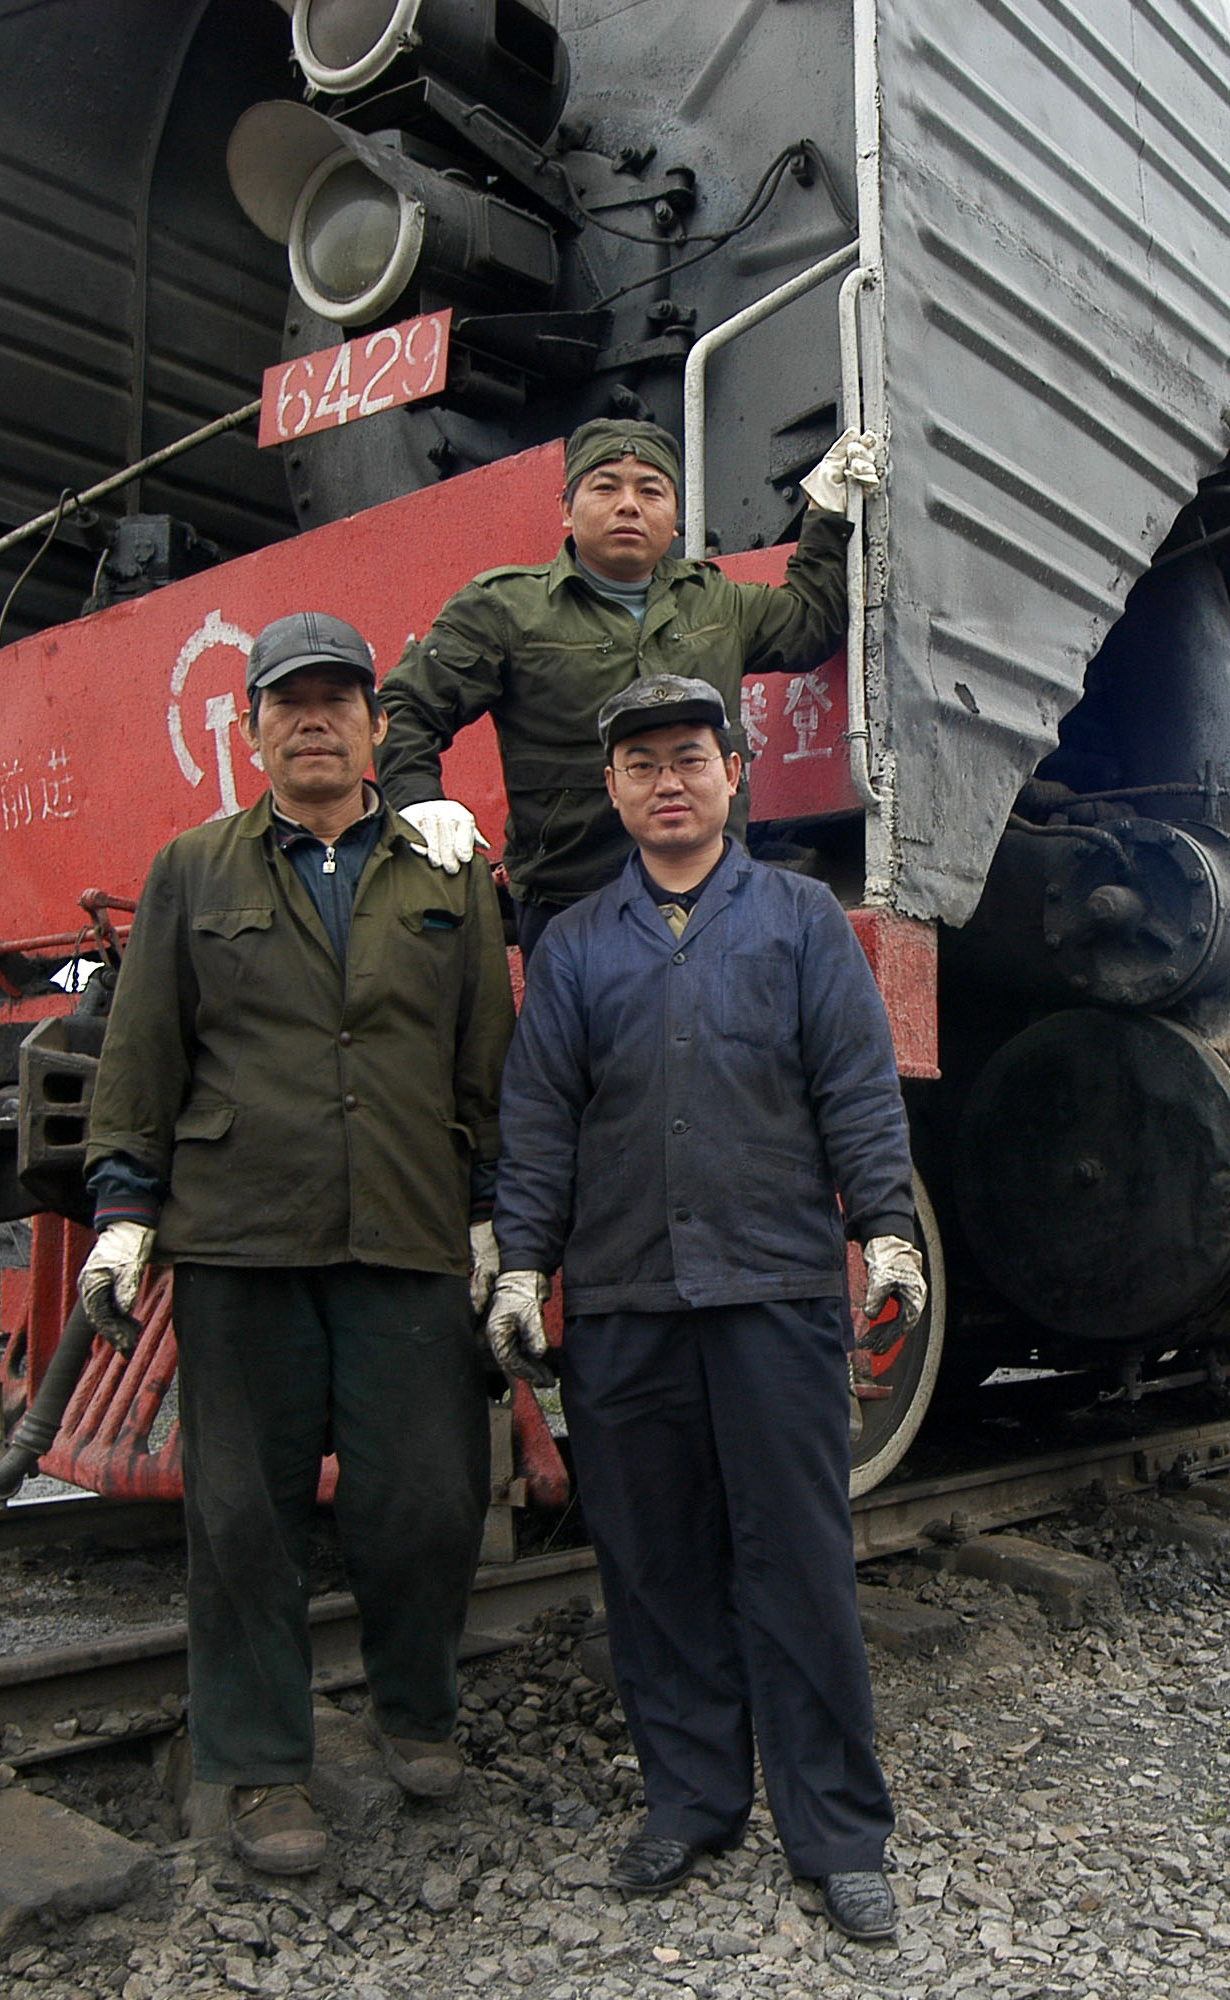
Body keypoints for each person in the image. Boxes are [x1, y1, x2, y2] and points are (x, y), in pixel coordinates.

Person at [486, 672, 926, 1943]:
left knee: (797, 1564)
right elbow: (538, 1129)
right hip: (625, 1302)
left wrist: (886, 1227)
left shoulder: (797, 919)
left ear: (735, 772)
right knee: (655, 1562)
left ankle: (839, 1831)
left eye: (689, 756)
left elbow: (857, 1089)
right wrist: (524, 1261)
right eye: (640, 764)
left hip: (776, 1293)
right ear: (613, 789)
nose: (666, 781)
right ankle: (690, 1799)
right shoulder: (572, 946)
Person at [77, 613, 516, 1876]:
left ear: (379, 727)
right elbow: (143, 1050)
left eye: (338, 700)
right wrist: (122, 1213)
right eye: (288, 701)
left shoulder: (448, 873)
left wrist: (499, 1220)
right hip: (240, 1233)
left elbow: (483, 1052)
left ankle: (413, 1711)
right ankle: (261, 1764)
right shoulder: (191, 868)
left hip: (409, 1227)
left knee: (425, 1499)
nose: (312, 720)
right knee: (242, 1516)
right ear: (251, 728)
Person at [375, 418, 882, 955]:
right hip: (568, 902)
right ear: (567, 509)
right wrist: (418, 801)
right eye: (605, 486)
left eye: (650, 490)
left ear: (676, 518)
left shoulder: (716, 602)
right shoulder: (504, 609)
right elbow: (405, 706)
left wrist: (825, 513)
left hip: (705, 895)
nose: (628, 504)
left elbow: (810, 624)